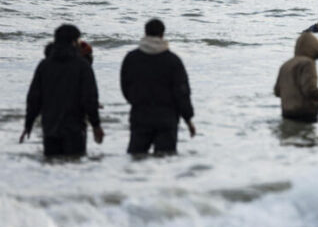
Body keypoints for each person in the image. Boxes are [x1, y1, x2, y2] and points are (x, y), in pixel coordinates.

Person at [21, 24, 104, 156]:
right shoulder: (82, 66)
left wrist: (28, 124)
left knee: (51, 166)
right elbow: (89, 98)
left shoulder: (44, 65)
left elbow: (34, 98)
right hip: (75, 128)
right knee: (74, 166)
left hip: (50, 128)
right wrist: (96, 125)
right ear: (74, 42)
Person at [120, 19, 195, 155]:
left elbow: (125, 87)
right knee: (165, 160)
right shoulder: (173, 60)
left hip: (140, 115)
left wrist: (136, 102)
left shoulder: (132, 58)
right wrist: (188, 119)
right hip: (167, 118)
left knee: (136, 158)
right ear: (162, 35)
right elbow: (182, 92)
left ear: (145, 33)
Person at [274, 32, 318, 123]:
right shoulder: (308, 63)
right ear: (313, 48)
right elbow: (310, 90)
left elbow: (277, 92)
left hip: (287, 114)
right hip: (305, 114)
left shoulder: (285, 65)